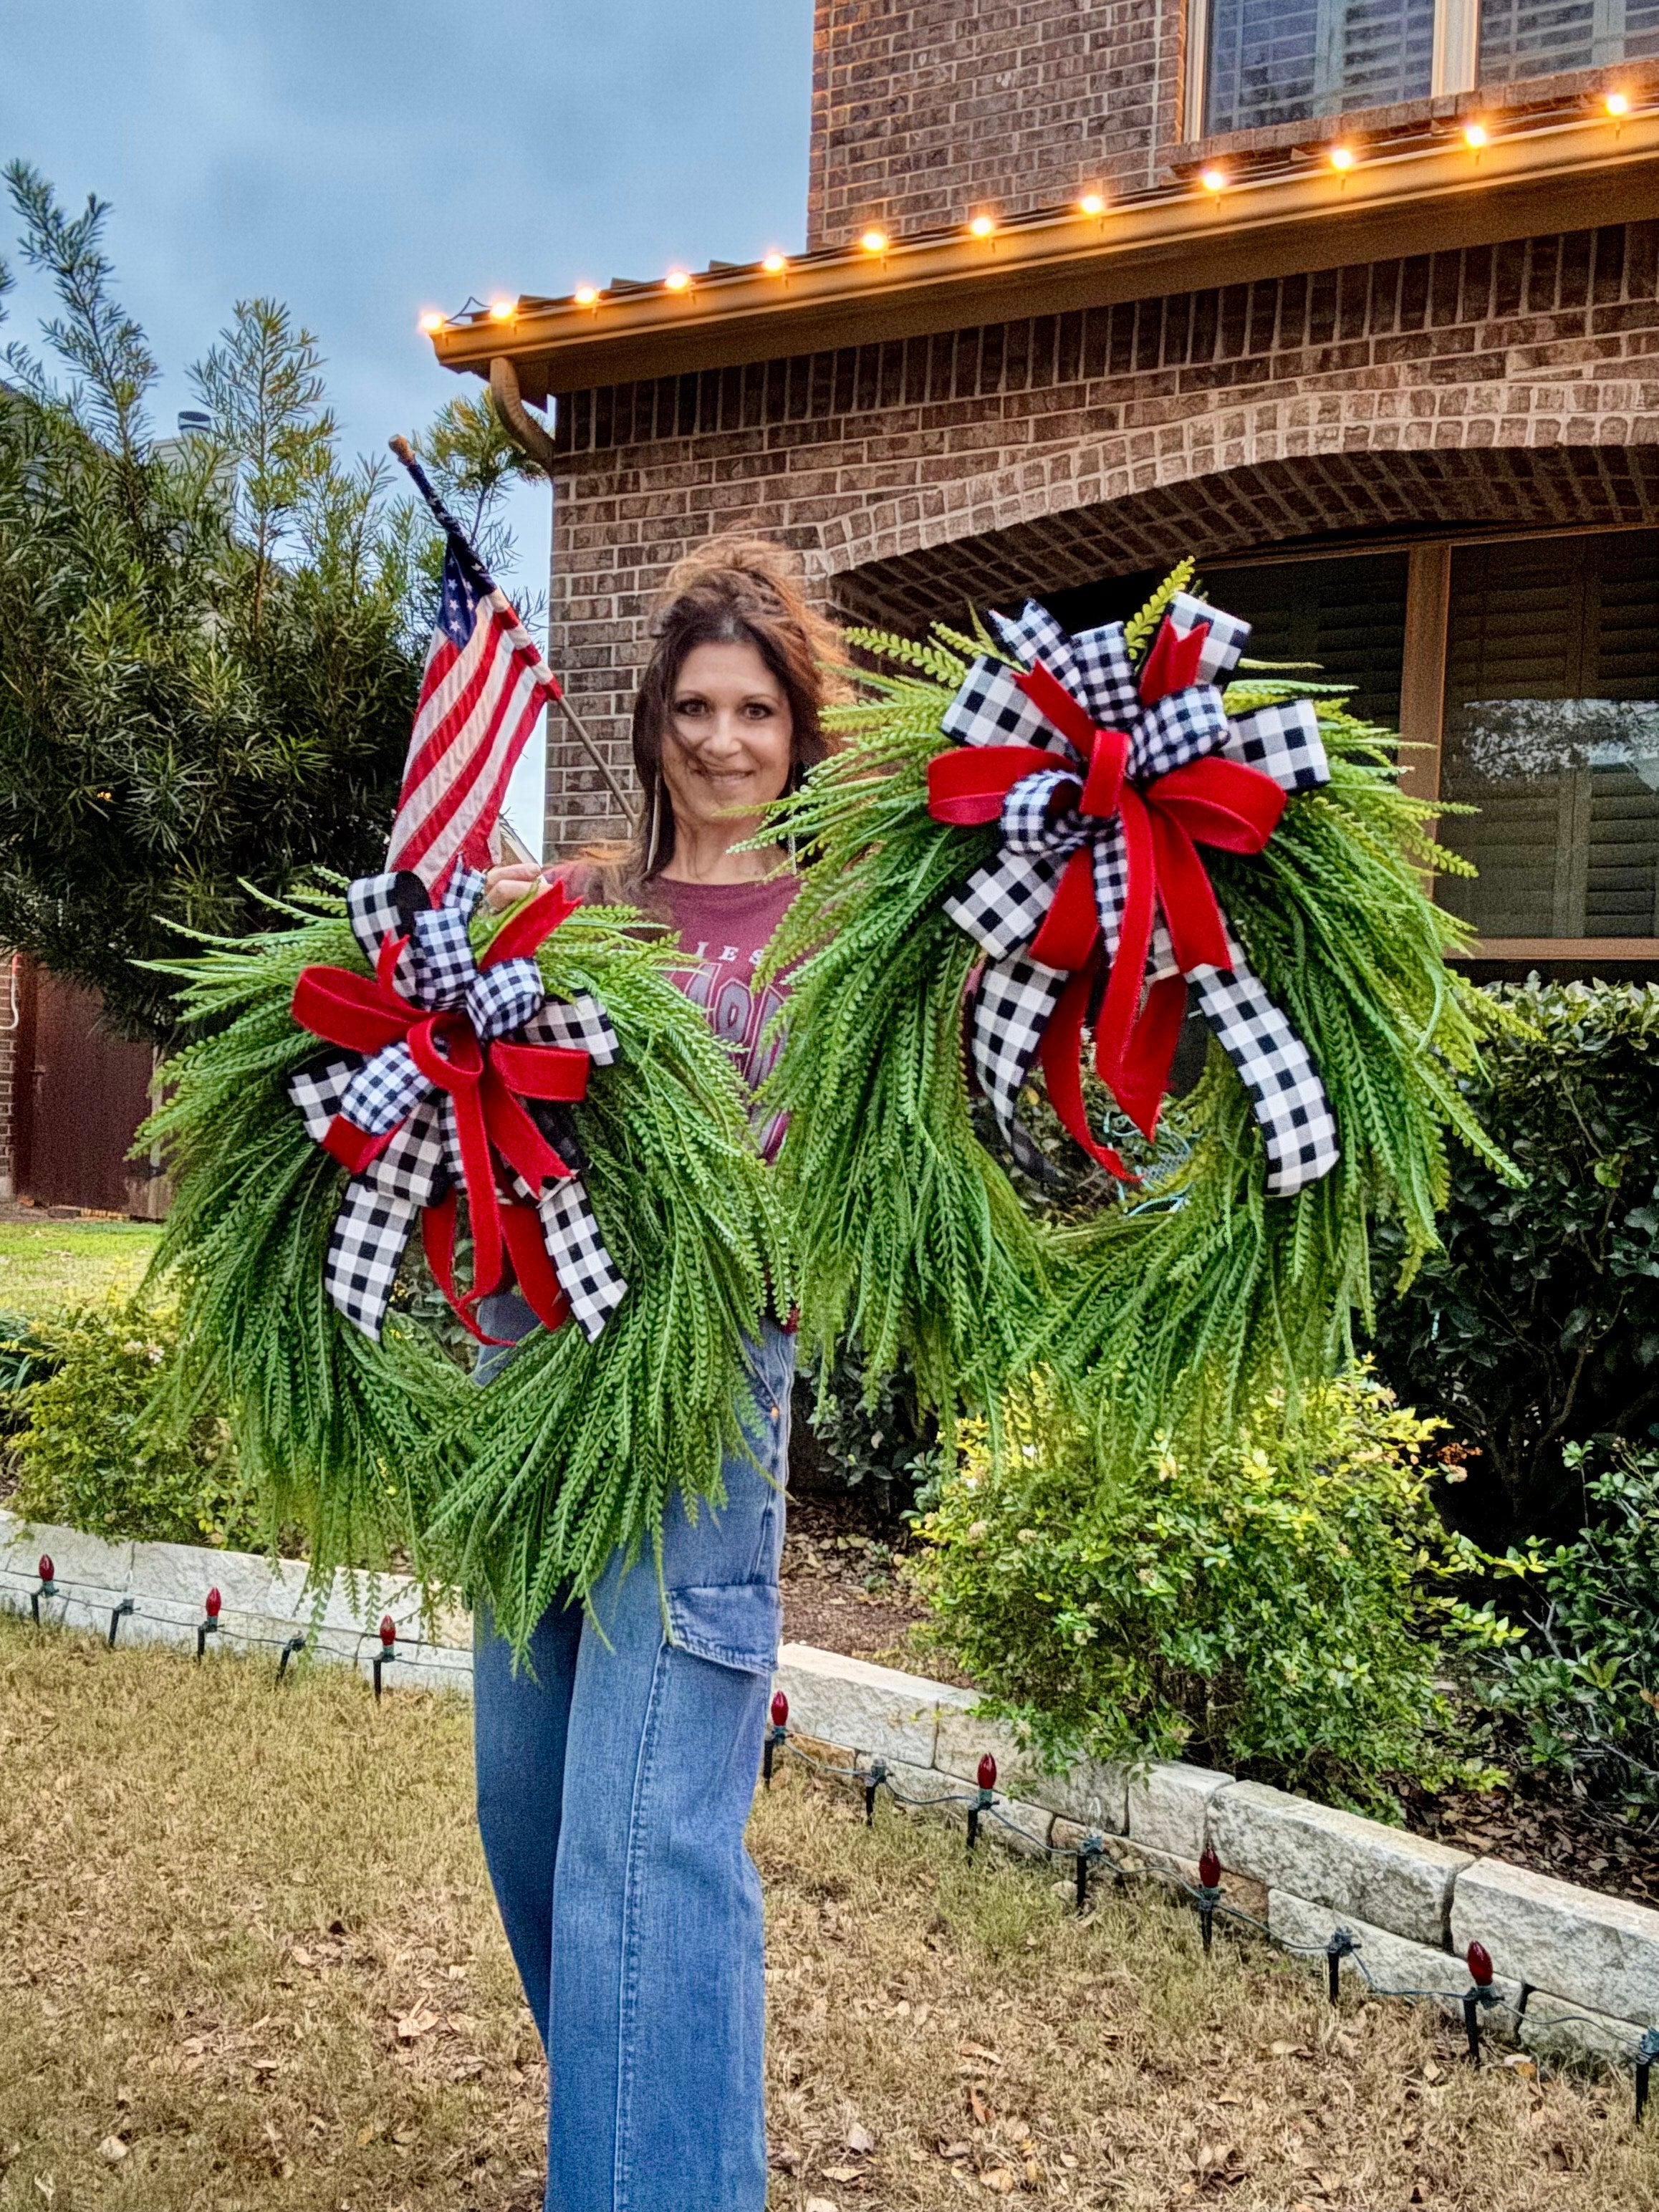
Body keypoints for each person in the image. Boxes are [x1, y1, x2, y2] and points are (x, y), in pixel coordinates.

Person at [471, 537, 840, 2212]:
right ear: (650, 721)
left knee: (648, 1834)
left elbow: (870, 1181)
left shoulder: (840, 939)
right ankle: (649, 2136)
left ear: (797, 728)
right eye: (694, 706)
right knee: (533, 1803)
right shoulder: (578, 914)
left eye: (753, 708)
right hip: (539, 1368)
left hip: (704, 1395)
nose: (721, 738)